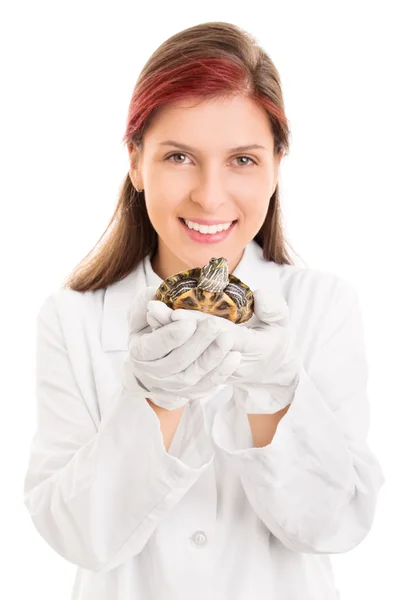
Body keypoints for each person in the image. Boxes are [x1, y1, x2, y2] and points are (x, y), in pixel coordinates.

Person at [23, 21, 385, 600]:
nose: (210, 196)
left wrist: (276, 389)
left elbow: (333, 524)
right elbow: (78, 535)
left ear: (276, 166)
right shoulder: (72, 318)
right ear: (136, 162)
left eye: (242, 160)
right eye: (179, 157)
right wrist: (152, 398)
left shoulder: (323, 307)